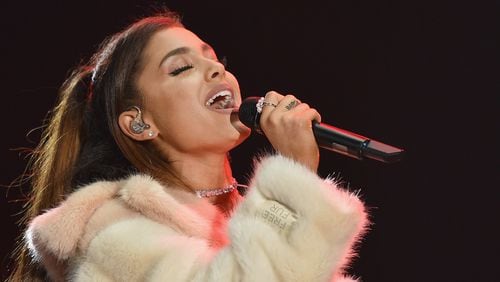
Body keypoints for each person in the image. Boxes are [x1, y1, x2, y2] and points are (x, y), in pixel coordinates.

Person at [9, 11, 368, 281]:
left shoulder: (248, 214)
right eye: (181, 68)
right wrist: (294, 178)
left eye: (216, 60)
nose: (216, 70)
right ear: (140, 123)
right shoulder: (112, 235)